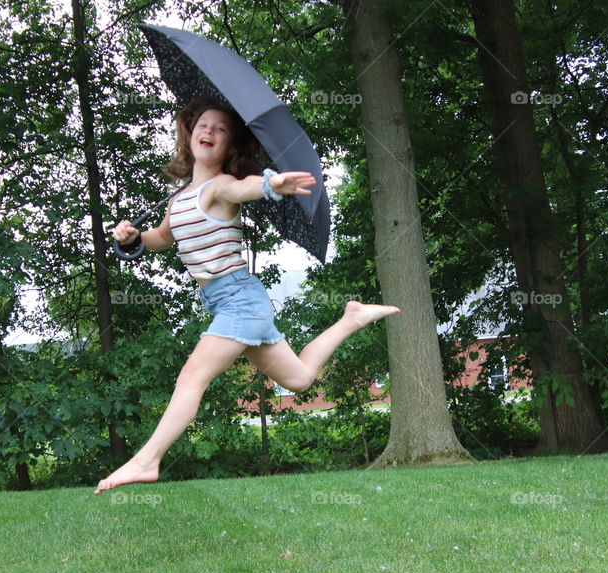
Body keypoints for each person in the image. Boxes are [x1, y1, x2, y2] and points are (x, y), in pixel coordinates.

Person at [95, 95, 399, 494]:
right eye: (203, 124)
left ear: (230, 146)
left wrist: (272, 184)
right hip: (227, 303)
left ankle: (147, 460)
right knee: (300, 379)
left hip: (240, 300)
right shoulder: (178, 199)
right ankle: (351, 319)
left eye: (221, 129)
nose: (209, 131)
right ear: (189, 135)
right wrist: (133, 236)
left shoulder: (221, 187)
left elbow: (245, 189)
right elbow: (163, 237)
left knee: (192, 375)